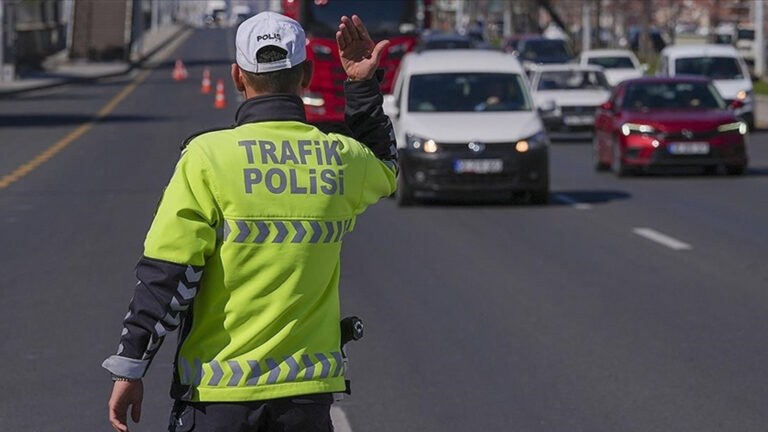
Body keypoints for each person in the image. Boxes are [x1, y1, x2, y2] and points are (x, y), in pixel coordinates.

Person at [102, 11, 397, 432]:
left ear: (238, 76)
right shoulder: (338, 158)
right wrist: (362, 86)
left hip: (216, 400)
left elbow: (169, 275)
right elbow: (386, 165)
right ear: (307, 75)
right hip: (305, 400)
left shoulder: (207, 158)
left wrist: (131, 366)